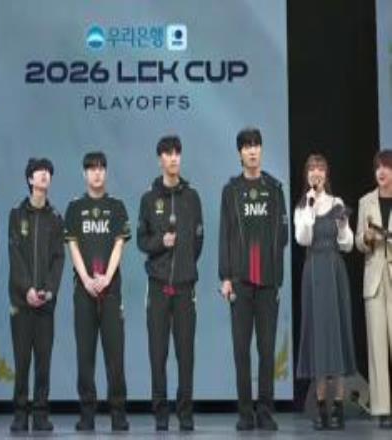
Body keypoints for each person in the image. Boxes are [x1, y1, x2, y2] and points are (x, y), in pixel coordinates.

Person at [218, 127, 288, 431]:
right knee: (241, 350)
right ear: (240, 153)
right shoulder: (231, 191)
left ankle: (265, 411)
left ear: (261, 150)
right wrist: (225, 276)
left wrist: (275, 273)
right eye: (247, 146)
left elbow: (283, 234)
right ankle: (245, 413)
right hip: (240, 282)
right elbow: (225, 235)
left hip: (268, 282)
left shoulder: (274, 188)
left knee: (267, 350)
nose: (252, 151)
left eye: (256, 145)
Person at [137, 135, 203, 431]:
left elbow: (198, 240)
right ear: (159, 160)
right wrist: (160, 243)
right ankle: (160, 413)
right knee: (158, 353)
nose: (173, 158)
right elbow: (141, 241)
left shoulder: (192, 197)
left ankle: (185, 413)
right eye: (168, 153)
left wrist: (185, 264)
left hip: (185, 287)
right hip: (158, 286)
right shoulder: (149, 199)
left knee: (185, 353)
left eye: (177, 153)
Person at [64, 151, 131, 432]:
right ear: (84, 173)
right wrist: (86, 279)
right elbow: (73, 247)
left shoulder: (117, 207)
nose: (97, 173)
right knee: (85, 355)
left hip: (111, 290)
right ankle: (87, 414)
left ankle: (118, 414)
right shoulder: (74, 208)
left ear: (106, 172)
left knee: (115, 354)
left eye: (102, 168)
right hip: (84, 292)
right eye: (92, 168)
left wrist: (106, 278)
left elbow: (119, 245)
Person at [294, 154, 356, 430]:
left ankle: (339, 407)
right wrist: (309, 207)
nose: (316, 173)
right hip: (313, 271)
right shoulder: (302, 206)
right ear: (307, 175)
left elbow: (347, 244)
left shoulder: (337, 202)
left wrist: (342, 227)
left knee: (337, 333)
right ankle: (321, 408)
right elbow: (302, 238)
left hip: (334, 269)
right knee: (318, 336)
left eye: (320, 168)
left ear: (326, 174)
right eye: (312, 169)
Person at [8, 158, 65, 432]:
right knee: (22, 361)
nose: (44, 176)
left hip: (45, 303)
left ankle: (40, 413)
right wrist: (27, 289)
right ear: (30, 179)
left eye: (48, 172)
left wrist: (48, 290)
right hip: (21, 302)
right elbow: (15, 256)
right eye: (39, 172)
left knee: (43, 362)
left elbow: (58, 259)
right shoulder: (16, 215)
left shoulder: (56, 218)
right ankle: (20, 413)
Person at [356, 149, 392, 429]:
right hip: (374, 280)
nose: (382, 171)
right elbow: (358, 242)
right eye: (378, 167)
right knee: (377, 347)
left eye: (387, 167)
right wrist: (367, 237)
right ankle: (382, 408)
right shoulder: (365, 201)